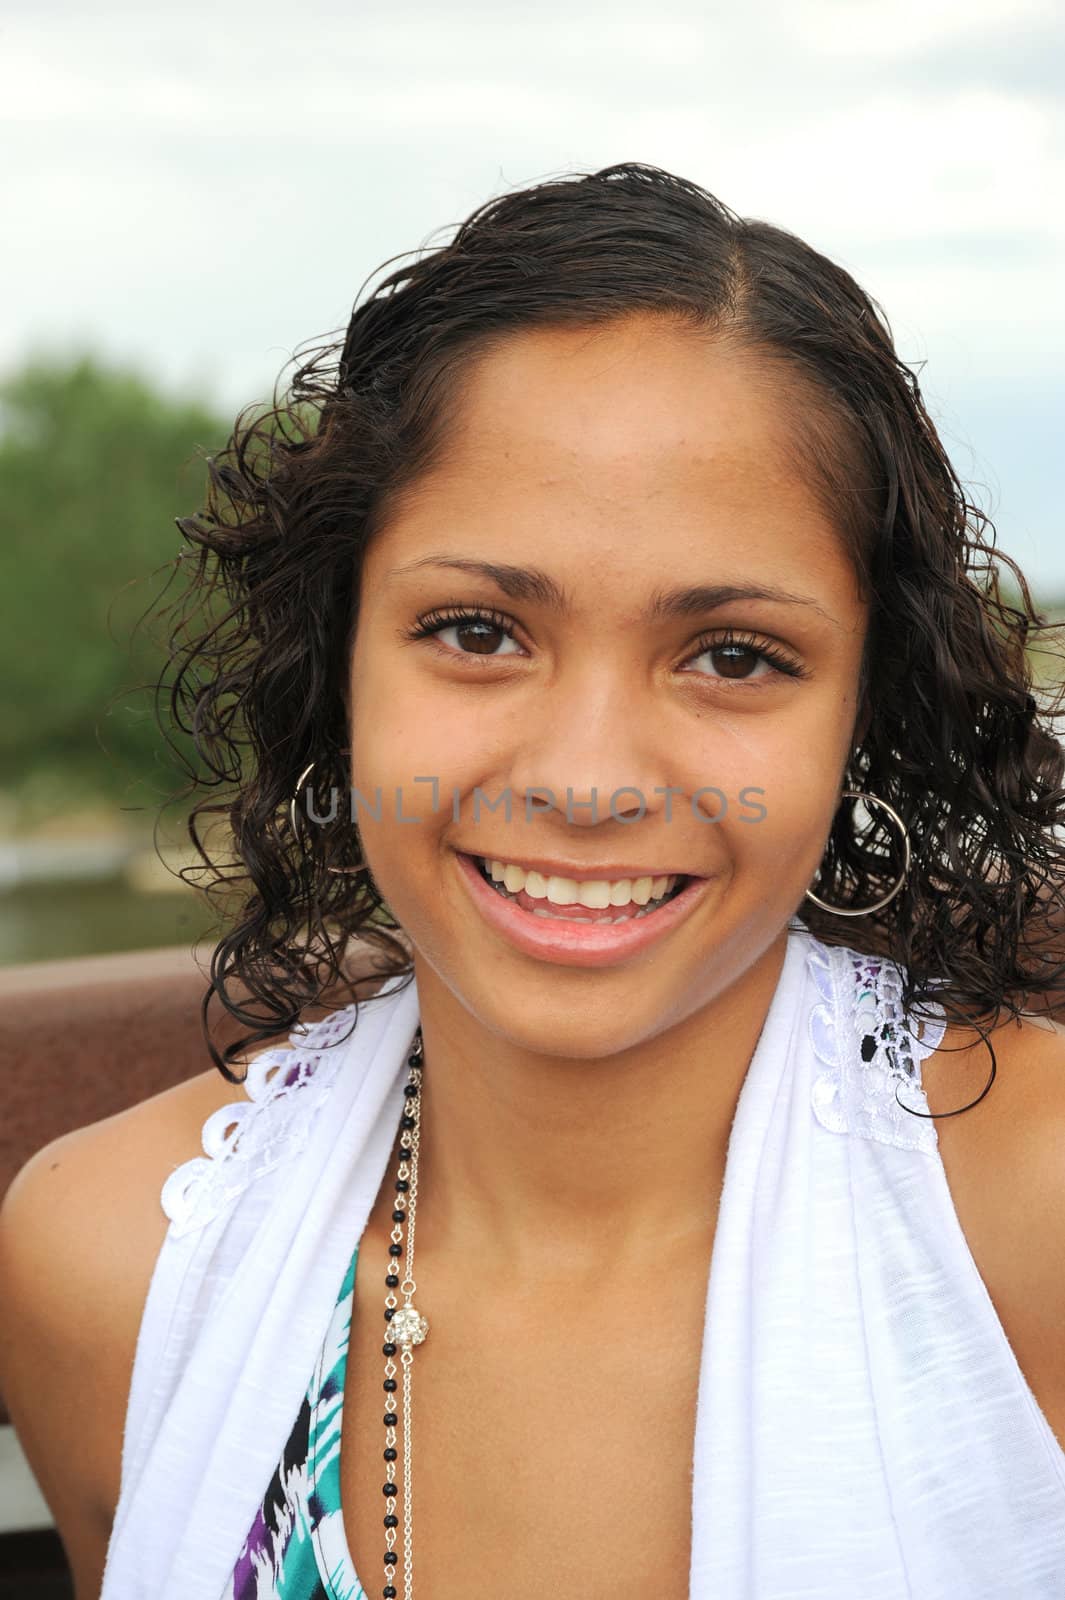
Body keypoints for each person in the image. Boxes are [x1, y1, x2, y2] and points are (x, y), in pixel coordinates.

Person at [2, 161, 1065, 1600]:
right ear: (340, 658)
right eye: (477, 630)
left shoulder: (1033, 1219)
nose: (584, 776)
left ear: (863, 710)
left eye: (732, 656)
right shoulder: (106, 1264)